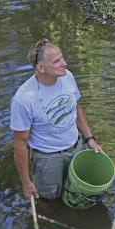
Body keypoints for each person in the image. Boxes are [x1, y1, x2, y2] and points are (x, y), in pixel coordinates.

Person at [10, 39, 103, 202]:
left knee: (82, 194)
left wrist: (89, 139)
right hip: (48, 159)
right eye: (57, 61)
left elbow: (76, 109)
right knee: (48, 200)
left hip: (76, 147)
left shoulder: (67, 77)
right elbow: (20, 145)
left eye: (62, 58)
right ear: (41, 68)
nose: (64, 63)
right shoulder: (24, 99)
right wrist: (26, 182)